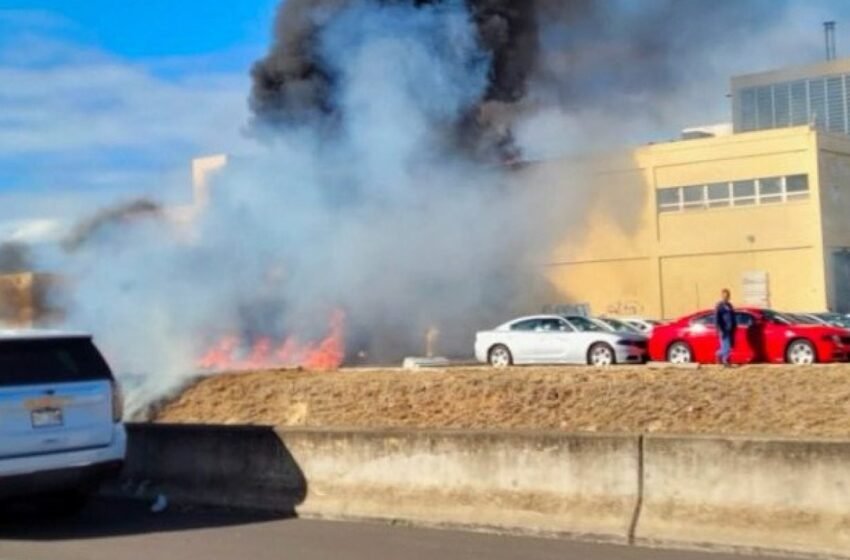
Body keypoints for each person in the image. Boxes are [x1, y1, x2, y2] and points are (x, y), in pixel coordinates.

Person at [714, 289, 737, 366]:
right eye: (724, 296)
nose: (726, 297)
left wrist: (734, 325)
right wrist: (719, 328)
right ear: (722, 296)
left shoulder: (729, 305)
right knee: (726, 346)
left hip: (730, 328)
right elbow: (717, 318)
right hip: (723, 328)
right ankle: (725, 361)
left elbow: (732, 316)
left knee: (727, 346)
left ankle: (718, 355)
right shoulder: (719, 306)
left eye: (727, 296)